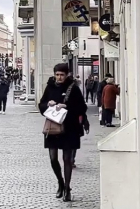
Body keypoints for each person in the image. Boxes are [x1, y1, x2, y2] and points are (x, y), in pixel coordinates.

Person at [38, 63, 88, 203]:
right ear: (54, 75)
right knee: (53, 158)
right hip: (53, 128)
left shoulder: (73, 88)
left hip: (69, 128)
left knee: (67, 159)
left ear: (67, 75)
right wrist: (48, 105)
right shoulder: (50, 87)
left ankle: (67, 188)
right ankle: (60, 182)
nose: (59, 77)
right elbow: (41, 105)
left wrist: (66, 106)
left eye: (62, 75)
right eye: (57, 75)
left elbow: (82, 107)